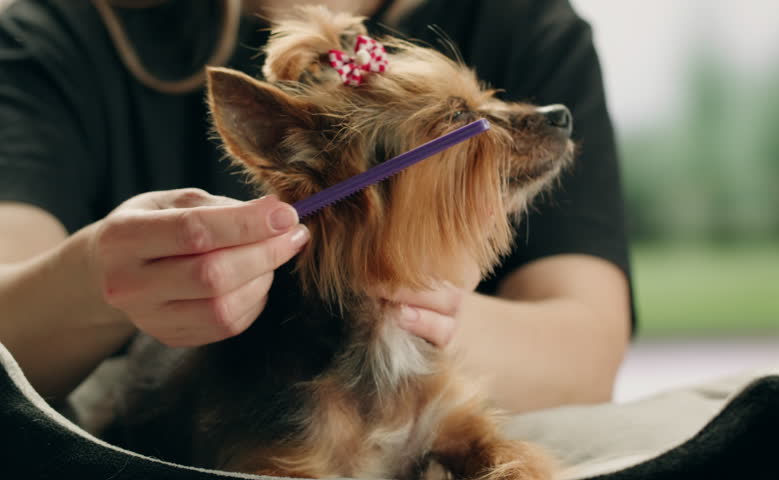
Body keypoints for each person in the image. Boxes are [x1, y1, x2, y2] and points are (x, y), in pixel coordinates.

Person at [0, 0, 632, 413]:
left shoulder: (527, 26)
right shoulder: (53, 36)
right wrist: (93, 276)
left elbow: (586, 363)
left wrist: (406, 294)